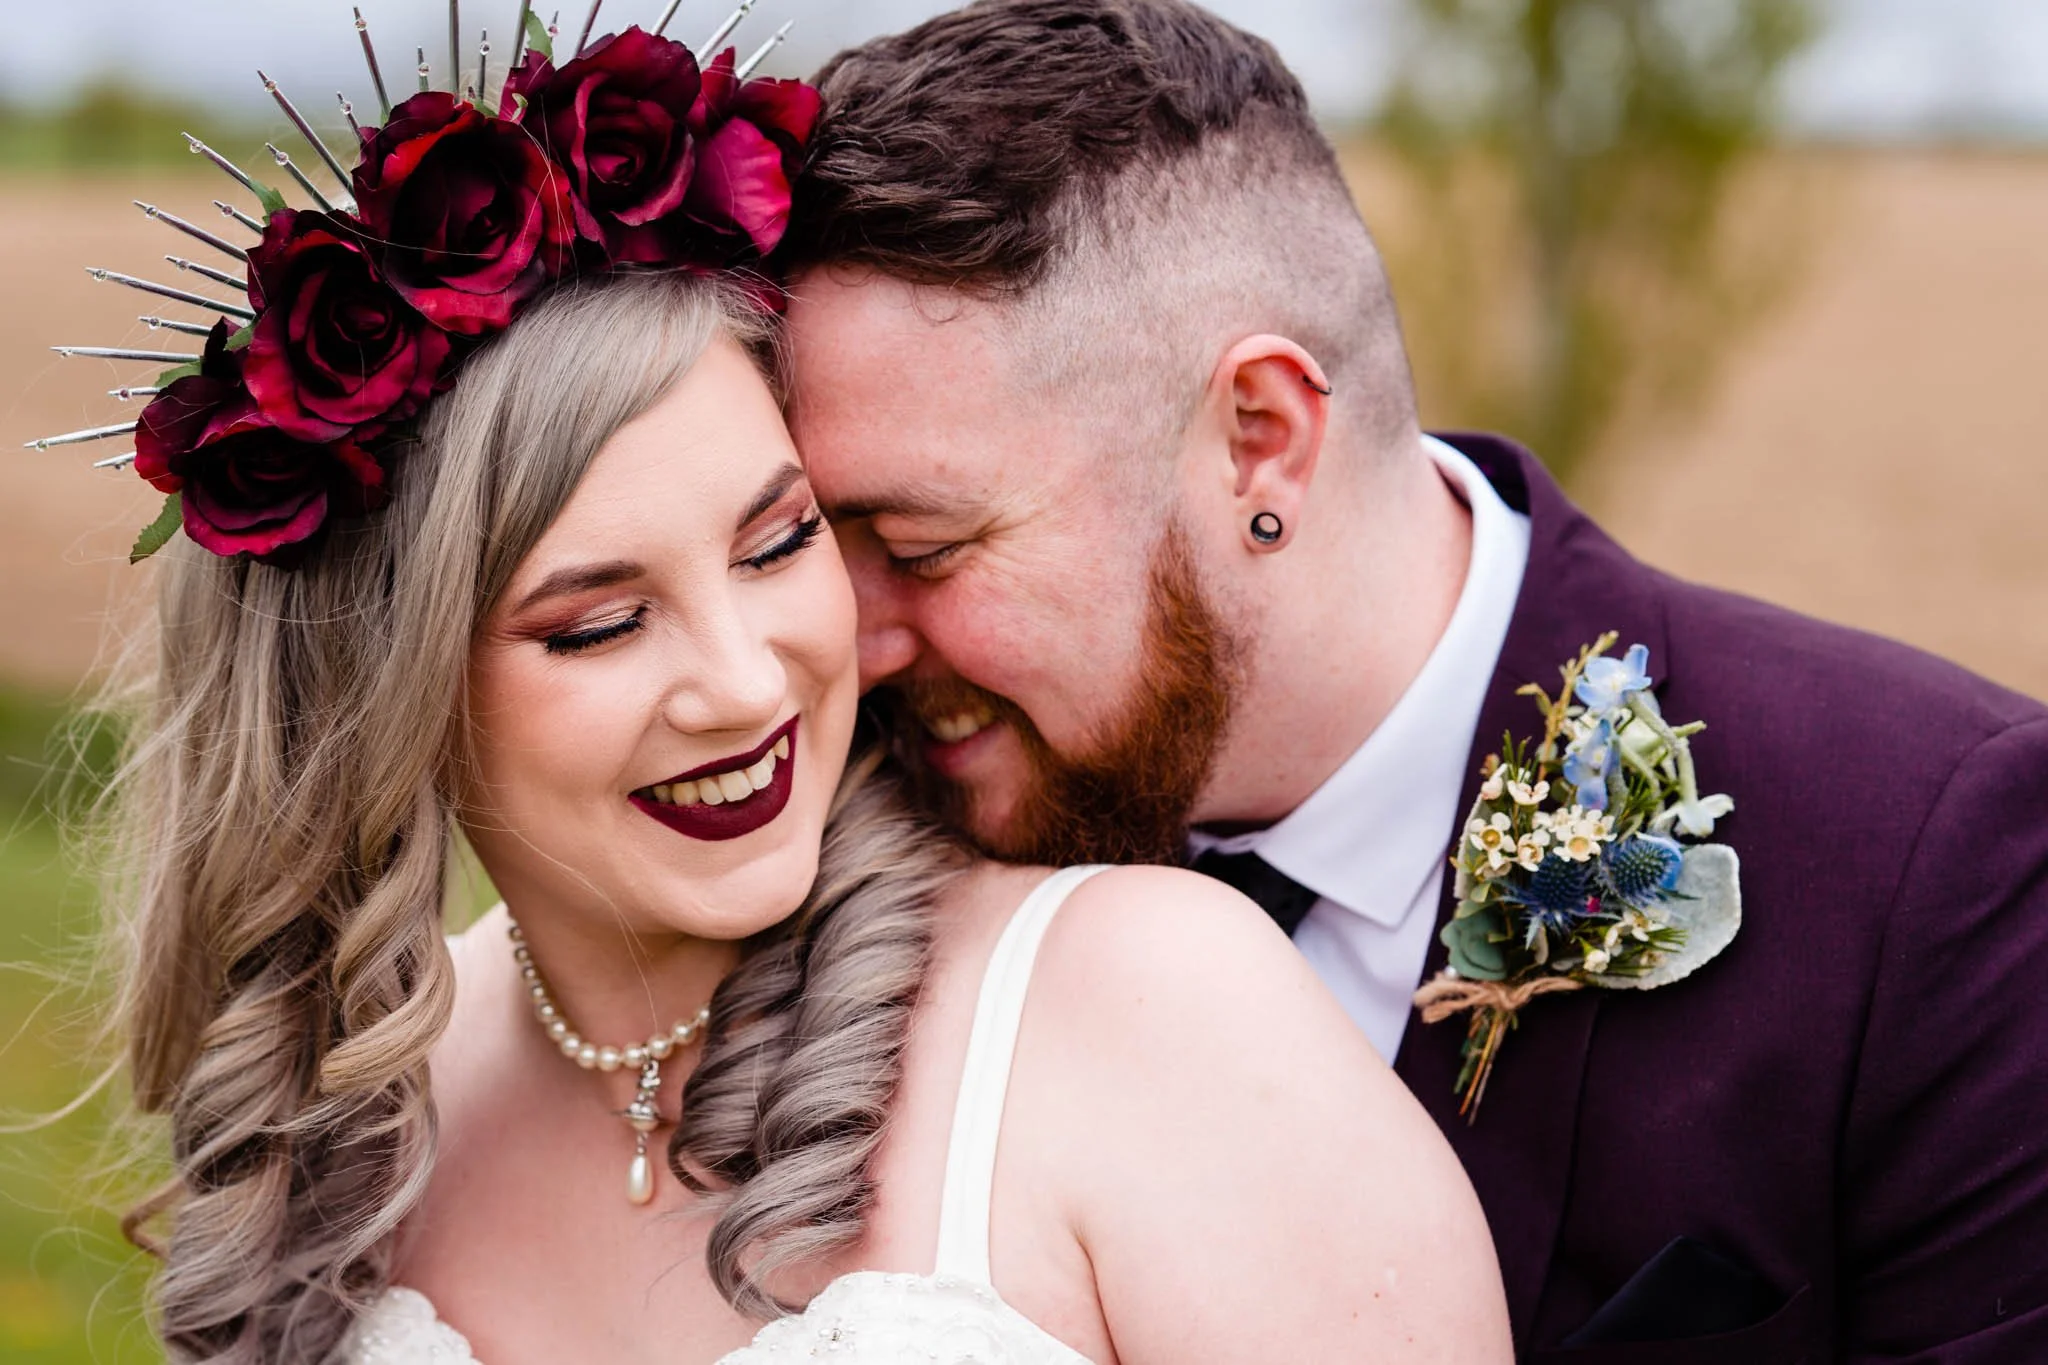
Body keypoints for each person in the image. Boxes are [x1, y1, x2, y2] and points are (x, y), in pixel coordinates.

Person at [81, 20, 1510, 1365]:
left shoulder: (1150, 1011)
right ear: (380, 692)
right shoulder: (367, 1109)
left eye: (782, 542)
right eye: (601, 624)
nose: (747, 679)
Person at [776, 0, 2048, 1359]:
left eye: (922, 545)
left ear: (1260, 443)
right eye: (799, 540)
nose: (850, 642)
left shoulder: (1940, 872)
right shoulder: (811, 856)